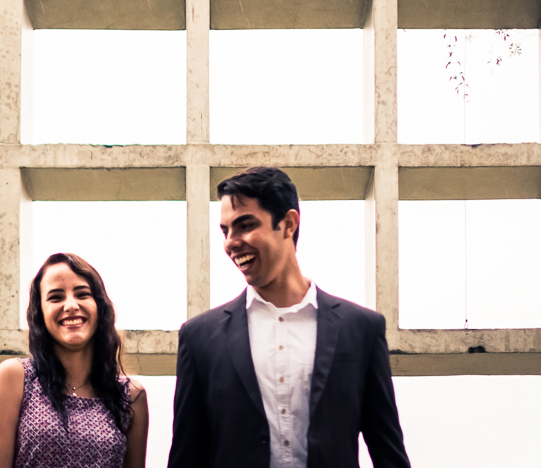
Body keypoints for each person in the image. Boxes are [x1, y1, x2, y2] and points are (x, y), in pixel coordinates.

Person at [168, 167, 411, 468]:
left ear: (288, 223)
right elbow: (186, 458)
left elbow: (388, 453)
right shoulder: (199, 337)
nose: (230, 242)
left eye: (245, 225)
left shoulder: (361, 329)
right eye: (225, 230)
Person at [0, 252, 149, 468]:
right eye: (55, 297)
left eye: (82, 294)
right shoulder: (15, 377)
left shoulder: (130, 396)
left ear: (99, 306)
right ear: (39, 313)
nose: (70, 305)